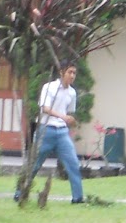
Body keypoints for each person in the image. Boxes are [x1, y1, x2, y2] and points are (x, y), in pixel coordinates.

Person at [16, 63, 86, 205]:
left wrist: (71, 120)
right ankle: (19, 193)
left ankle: (78, 198)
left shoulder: (72, 92)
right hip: (45, 129)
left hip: (62, 132)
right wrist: (62, 116)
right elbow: (45, 108)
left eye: (74, 73)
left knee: (73, 163)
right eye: (69, 72)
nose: (72, 76)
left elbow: (70, 113)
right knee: (34, 164)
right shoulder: (49, 87)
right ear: (61, 72)